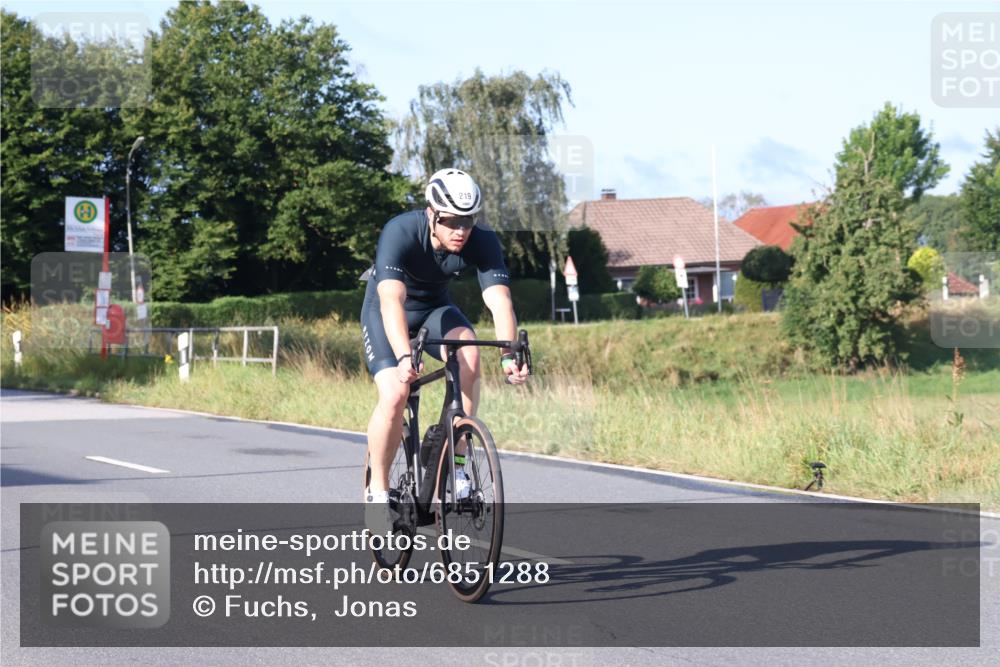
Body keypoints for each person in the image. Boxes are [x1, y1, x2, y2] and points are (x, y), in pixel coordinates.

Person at [361, 168, 530, 533]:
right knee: (395, 393)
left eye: (468, 220)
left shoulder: (481, 240)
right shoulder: (401, 230)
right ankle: (377, 492)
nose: (461, 230)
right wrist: (405, 356)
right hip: (387, 311)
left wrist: (508, 353)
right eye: (451, 221)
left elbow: (499, 302)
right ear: (431, 213)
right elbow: (391, 299)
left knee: (469, 352)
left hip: (434, 310)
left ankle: (455, 463)